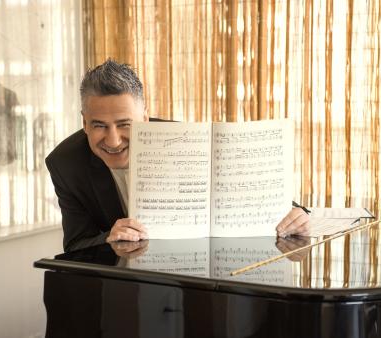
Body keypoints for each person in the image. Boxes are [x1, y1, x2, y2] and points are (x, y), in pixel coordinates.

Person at [46, 58, 309, 252]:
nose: (113, 140)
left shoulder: (187, 140)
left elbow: (265, 197)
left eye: (125, 124)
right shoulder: (65, 164)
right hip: (119, 283)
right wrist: (108, 238)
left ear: (145, 119)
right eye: (99, 125)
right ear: (84, 123)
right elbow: (75, 245)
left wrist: (297, 215)